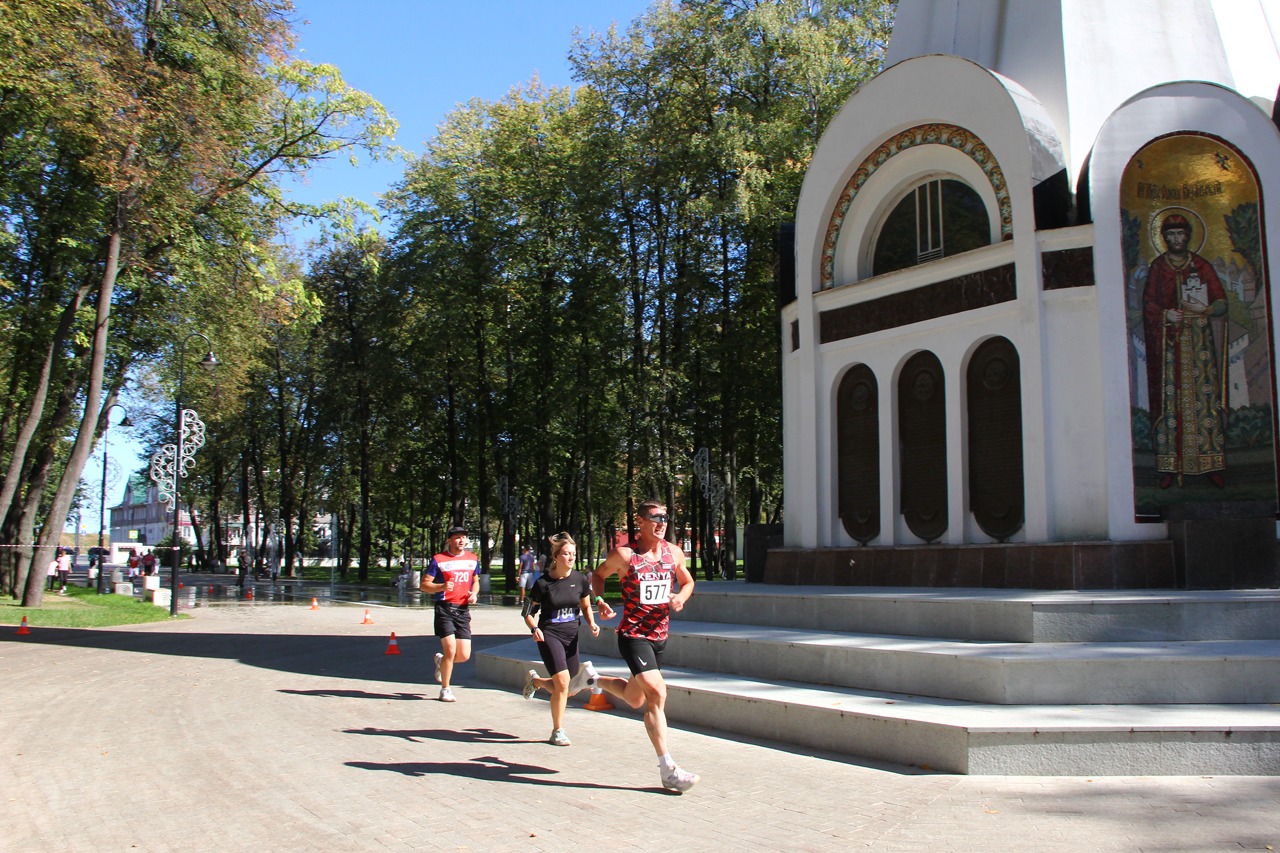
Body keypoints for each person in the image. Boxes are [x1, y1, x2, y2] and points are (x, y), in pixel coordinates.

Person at [592, 499, 699, 792]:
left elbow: (688, 582)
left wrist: (681, 597)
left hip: (660, 636)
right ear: (640, 521)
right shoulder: (625, 555)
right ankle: (668, 768)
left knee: (635, 697)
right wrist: (600, 601)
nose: (662, 523)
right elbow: (598, 576)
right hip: (633, 635)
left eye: (665, 517)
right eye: (655, 518)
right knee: (657, 693)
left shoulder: (673, 552)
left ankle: (593, 679)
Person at [1141, 212, 1229, 490]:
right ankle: (1170, 465)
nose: (1176, 239)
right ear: (1164, 238)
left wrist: (1208, 309)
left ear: (1188, 236)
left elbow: (1222, 301)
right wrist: (1167, 314)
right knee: (1172, 404)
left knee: (1204, 403)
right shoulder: (1159, 268)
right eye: (1171, 235)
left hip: (1199, 345)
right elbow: (1148, 304)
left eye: (1180, 234)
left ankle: (1209, 464)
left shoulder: (1201, 265)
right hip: (1171, 345)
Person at [520, 532, 600, 746]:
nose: (571, 557)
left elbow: (585, 605)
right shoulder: (543, 583)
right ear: (556, 556)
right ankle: (558, 731)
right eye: (566, 554)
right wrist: (534, 628)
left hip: (572, 635)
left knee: (567, 685)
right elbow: (527, 612)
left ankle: (536, 681)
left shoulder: (580, 579)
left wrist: (592, 622)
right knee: (563, 683)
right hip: (550, 634)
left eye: (573, 553)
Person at [420, 526, 480, 702]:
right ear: (449, 540)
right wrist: (442, 586)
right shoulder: (439, 560)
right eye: (457, 538)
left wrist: (474, 593)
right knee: (451, 650)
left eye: (463, 537)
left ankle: (442, 662)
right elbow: (424, 585)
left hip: (462, 610)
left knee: (463, 655)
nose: (461, 541)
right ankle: (445, 689)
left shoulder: (472, 559)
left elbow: (475, 581)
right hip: (444, 608)